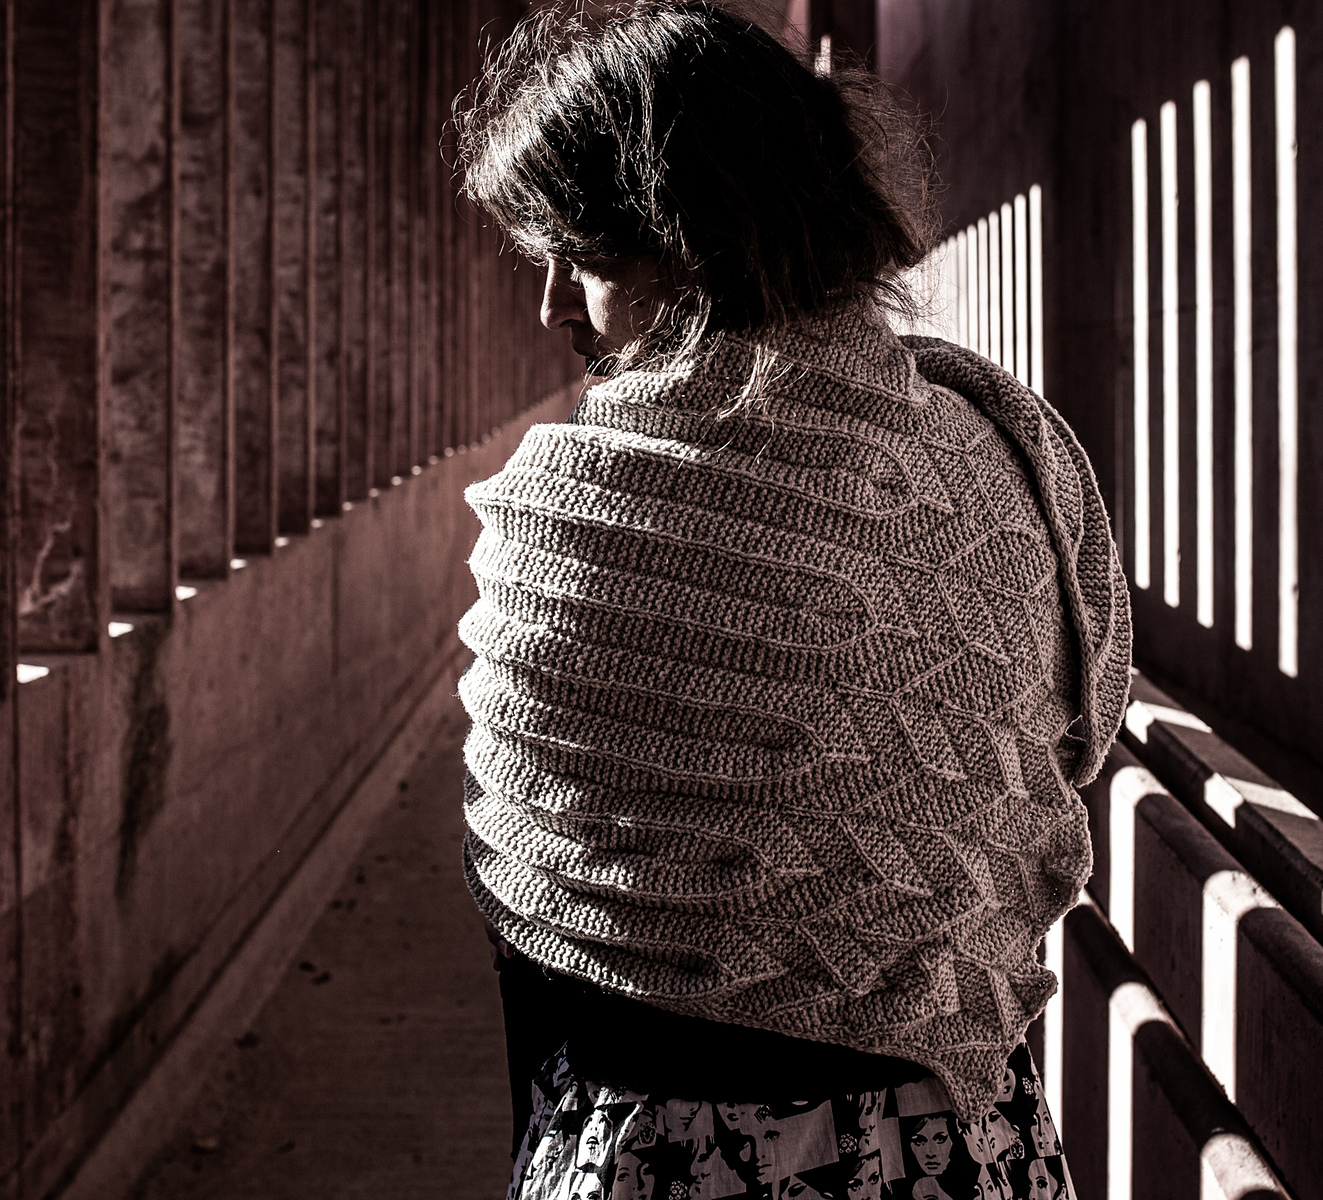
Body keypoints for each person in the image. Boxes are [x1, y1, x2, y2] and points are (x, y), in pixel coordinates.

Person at [453, 4, 1130, 1198]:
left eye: (586, 256)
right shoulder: (1001, 456)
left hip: (681, 1158)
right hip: (965, 1149)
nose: (554, 306)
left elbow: (543, 930)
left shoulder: (578, 515)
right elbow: (1065, 744)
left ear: (701, 232)